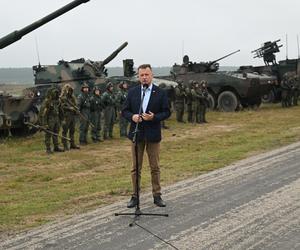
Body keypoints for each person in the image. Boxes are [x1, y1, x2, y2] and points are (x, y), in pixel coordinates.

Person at [122, 64, 171, 208]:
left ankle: (157, 195)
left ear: (152, 75)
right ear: (138, 76)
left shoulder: (160, 93)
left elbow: (167, 112)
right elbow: (124, 111)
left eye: (146, 75)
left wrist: (154, 117)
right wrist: (133, 117)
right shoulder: (132, 92)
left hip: (153, 135)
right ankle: (135, 196)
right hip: (137, 135)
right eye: (141, 75)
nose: (144, 77)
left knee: (154, 167)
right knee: (135, 167)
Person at [39, 87, 64, 154]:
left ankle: (56, 147)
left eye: (56, 93)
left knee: (56, 133)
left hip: (56, 119)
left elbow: (61, 111)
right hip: (50, 119)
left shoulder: (58, 101)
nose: (56, 94)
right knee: (48, 134)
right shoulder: (47, 102)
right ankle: (48, 148)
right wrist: (45, 124)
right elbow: (44, 114)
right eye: (54, 93)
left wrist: (62, 119)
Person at [60, 84, 80, 150]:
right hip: (66, 115)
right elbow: (62, 107)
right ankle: (65, 145)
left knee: (72, 130)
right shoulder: (62, 98)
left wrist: (76, 109)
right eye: (68, 89)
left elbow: (75, 105)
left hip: (72, 116)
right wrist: (69, 108)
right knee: (65, 131)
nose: (69, 91)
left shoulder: (72, 98)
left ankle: (72, 144)